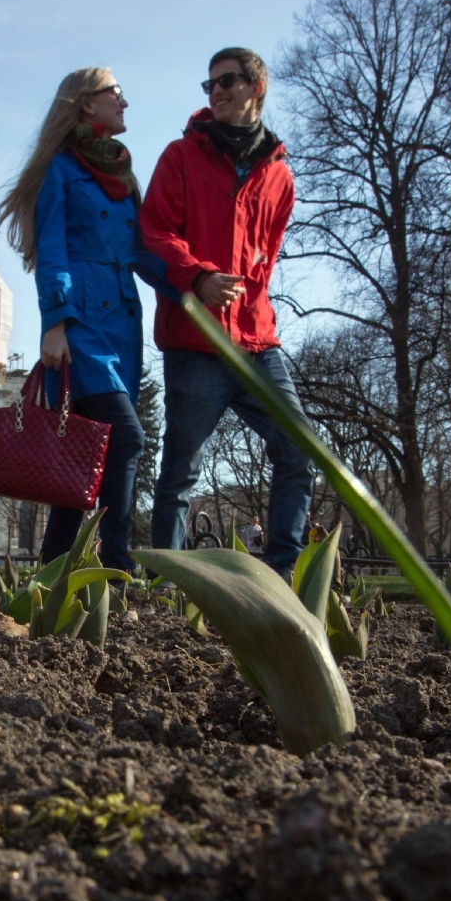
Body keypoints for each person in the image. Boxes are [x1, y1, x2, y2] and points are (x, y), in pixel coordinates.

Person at [140, 47, 316, 575]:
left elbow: (266, 260)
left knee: (298, 451)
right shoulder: (179, 157)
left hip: (258, 343)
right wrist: (197, 277)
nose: (216, 92)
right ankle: (167, 585)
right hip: (197, 344)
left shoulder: (281, 178)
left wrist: (249, 310)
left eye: (228, 82)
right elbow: (153, 233)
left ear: (256, 88)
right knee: (179, 475)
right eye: (209, 84)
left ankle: (281, 579)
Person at [0, 67, 150, 573]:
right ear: (86, 103)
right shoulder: (62, 171)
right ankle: (118, 566)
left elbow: (146, 254)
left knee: (81, 457)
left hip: (122, 326)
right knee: (125, 438)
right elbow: (53, 252)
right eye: (116, 93)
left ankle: (49, 574)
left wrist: (195, 282)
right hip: (82, 324)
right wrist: (55, 322)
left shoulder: (124, 175)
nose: (125, 103)